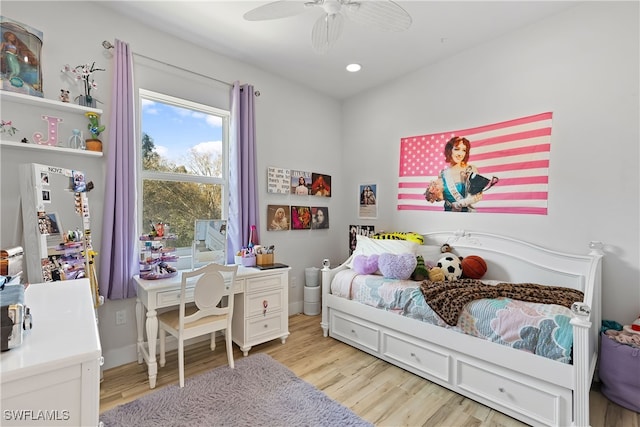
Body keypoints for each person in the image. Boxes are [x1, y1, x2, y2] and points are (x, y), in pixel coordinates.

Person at [440, 136, 483, 212]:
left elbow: (478, 195)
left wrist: (460, 204)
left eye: (464, 150)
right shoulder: (443, 173)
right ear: (449, 150)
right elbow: (441, 197)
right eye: (457, 149)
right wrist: (432, 194)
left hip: (467, 215)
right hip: (448, 214)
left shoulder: (471, 169)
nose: (460, 154)